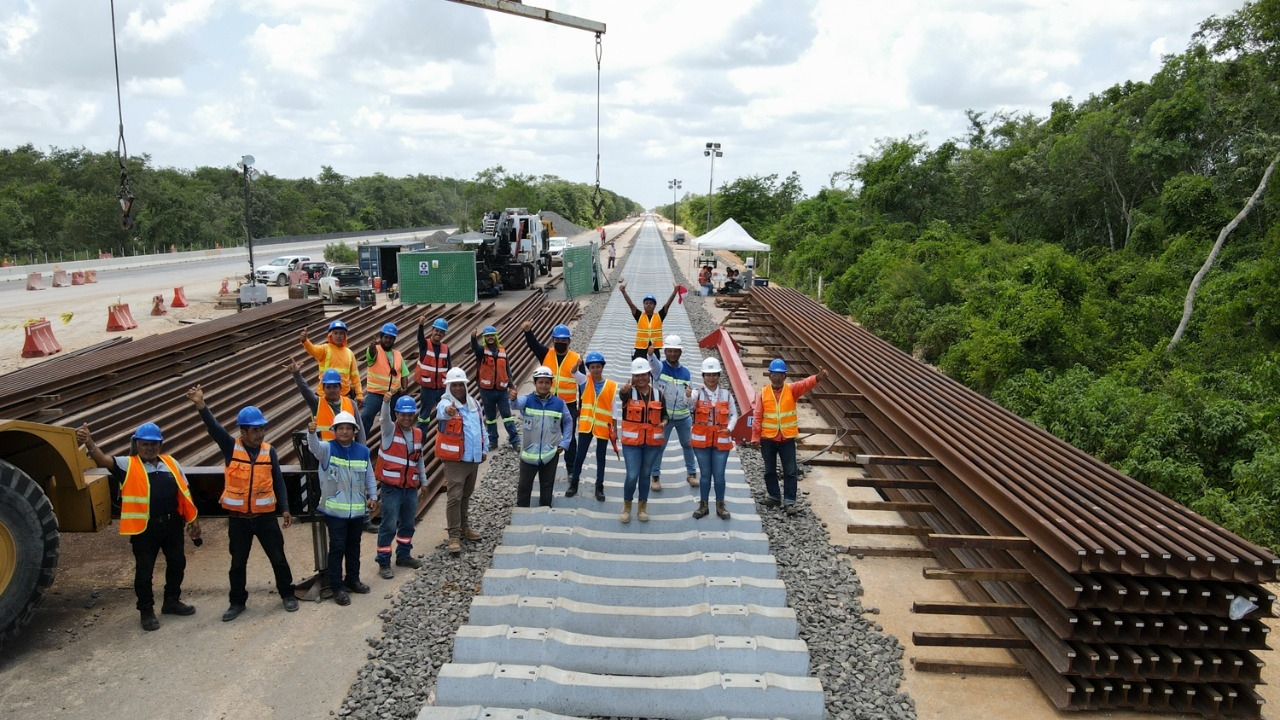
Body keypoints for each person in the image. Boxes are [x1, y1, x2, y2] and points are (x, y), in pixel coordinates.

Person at [187, 386, 299, 620]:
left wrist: (285, 508)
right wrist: (201, 406)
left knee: (278, 558)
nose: (260, 434)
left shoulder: (270, 452)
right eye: (255, 430)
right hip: (238, 520)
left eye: (261, 429)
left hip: (265, 518)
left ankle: (287, 594)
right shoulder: (231, 448)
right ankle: (237, 602)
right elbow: (214, 429)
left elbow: (278, 481)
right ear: (243, 432)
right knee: (237, 563)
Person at [75, 422, 200, 631]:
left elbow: (184, 491)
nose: (150, 448)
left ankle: (171, 601)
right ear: (137, 444)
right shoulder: (128, 464)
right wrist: (89, 442)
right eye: (145, 444)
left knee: (177, 563)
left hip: (171, 524)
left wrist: (192, 519)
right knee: (144, 572)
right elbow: (103, 460)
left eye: (154, 444)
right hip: (144, 529)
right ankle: (146, 611)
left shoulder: (170, 463)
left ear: (160, 444)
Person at [306, 411, 378, 606]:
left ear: (354, 431)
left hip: (356, 511)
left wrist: (373, 495)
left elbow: (369, 475)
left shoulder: (362, 451)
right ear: (334, 431)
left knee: (354, 547)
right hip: (335, 512)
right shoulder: (327, 449)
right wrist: (311, 434)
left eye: (348, 428)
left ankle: (353, 580)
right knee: (337, 548)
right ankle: (337, 587)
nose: (345, 431)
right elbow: (314, 447)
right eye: (341, 428)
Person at [748, 359, 828, 516]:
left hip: (787, 439)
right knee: (769, 470)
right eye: (774, 374)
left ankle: (789, 501)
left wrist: (818, 377)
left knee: (790, 471)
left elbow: (805, 384)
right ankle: (774, 497)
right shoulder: (763, 393)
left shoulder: (791, 390)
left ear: (784, 377)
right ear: (769, 376)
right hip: (768, 439)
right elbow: (757, 416)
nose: (777, 378)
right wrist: (755, 438)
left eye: (780, 375)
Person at [521, 321, 585, 480]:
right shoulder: (546, 353)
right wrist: (528, 331)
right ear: (553, 340)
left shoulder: (577, 359)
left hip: (568, 404)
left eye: (564, 341)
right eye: (557, 340)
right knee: (544, 433)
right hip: (547, 402)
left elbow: (583, 385)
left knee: (569, 437)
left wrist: (582, 407)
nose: (560, 343)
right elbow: (533, 345)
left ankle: (571, 470)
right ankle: (541, 464)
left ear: (569, 341)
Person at [374, 394, 425, 578]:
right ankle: (383, 561)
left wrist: (424, 482)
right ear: (396, 414)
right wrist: (386, 402)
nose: (406, 418)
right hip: (391, 488)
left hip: (410, 488)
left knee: (408, 524)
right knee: (388, 525)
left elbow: (419, 460)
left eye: (410, 414)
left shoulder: (417, 433)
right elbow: (383, 418)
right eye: (403, 414)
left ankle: (403, 555)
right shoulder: (389, 430)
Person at [436, 367, 487, 554]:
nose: (458, 388)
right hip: (455, 461)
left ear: (465, 385)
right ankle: (454, 536)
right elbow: (442, 412)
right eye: (454, 385)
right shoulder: (445, 403)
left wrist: (484, 448)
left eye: (460, 385)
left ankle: (464, 528)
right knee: (454, 497)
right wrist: (448, 411)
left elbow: (481, 427)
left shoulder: (473, 403)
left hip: (472, 459)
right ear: (449, 387)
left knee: (466, 495)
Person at [509, 366, 573, 508]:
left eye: (547, 382)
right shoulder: (527, 400)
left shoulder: (559, 403)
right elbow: (515, 405)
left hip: (550, 454)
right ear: (535, 383)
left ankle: (544, 511)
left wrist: (565, 442)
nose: (544, 385)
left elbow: (568, 422)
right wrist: (513, 398)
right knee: (524, 486)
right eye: (540, 382)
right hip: (528, 453)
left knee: (547, 486)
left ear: (551, 384)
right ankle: (522, 512)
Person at [643, 334, 696, 492]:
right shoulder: (660, 368)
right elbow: (651, 364)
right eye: (669, 351)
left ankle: (691, 474)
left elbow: (691, 395)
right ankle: (655, 477)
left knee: (688, 445)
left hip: (683, 417)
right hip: (663, 418)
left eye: (675, 351)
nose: (672, 354)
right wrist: (650, 354)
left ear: (680, 352)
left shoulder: (686, 373)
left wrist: (690, 400)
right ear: (665, 352)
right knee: (659, 447)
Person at [617, 358, 668, 523]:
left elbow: (665, 414)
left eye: (644, 374)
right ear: (632, 376)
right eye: (637, 375)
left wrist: (664, 422)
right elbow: (622, 395)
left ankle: (642, 507)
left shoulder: (658, 394)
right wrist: (623, 390)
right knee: (632, 475)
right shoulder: (628, 393)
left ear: (649, 374)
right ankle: (627, 506)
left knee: (645, 475)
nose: (641, 378)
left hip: (651, 443)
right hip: (632, 444)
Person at [690, 357, 737, 519]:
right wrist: (688, 396)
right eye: (708, 374)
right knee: (705, 474)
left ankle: (720, 505)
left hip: (721, 441)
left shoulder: (726, 395)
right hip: (701, 441)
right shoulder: (697, 393)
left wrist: (729, 429)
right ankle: (703, 505)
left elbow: (733, 414)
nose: (711, 377)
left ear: (718, 375)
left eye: (714, 374)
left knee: (719, 474)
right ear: (703, 376)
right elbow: (688, 402)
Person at [569, 351, 617, 501]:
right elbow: (573, 373)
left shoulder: (611, 386)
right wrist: (577, 364)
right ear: (588, 368)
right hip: (586, 425)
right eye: (592, 367)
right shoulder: (584, 381)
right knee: (580, 455)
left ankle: (599, 486)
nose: (595, 370)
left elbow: (614, 409)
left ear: (602, 367)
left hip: (603, 426)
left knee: (601, 457)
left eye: (598, 366)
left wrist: (614, 429)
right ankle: (574, 484)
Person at [286, 361, 366, 444]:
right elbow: (305, 391)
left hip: (348, 452)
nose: (332, 390)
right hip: (326, 453)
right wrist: (296, 374)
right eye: (328, 387)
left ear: (340, 388)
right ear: (323, 389)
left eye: (335, 387)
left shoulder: (351, 403)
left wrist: (363, 452)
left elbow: (360, 431)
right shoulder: (317, 403)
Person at [470, 325, 520, 452]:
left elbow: (507, 370)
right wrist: (473, 338)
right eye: (487, 336)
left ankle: (515, 440)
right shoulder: (482, 351)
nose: (490, 338)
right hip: (486, 390)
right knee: (490, 418)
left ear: (496, 337)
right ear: (484, 338)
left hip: (502, 390)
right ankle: (493, 441)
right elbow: (475, 348)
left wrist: (511, 386)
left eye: (492, 336)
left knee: (507, 416)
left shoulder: (502, 351)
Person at [362, 322, 410, 433]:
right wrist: (372, 347)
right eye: (386, 337)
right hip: (376, 394)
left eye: (391, 338)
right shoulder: (375, 350)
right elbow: (371, 353)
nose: (388, 340)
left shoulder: (397, 354)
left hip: (393, 394)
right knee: (366, 416)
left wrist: (405, 388)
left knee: (396, 420)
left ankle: (394, 442)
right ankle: (361, 442)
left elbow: (404, 374)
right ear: (381, 337)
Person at [302, 320, 362, 407]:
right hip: (325, 396)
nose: (338, 336)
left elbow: (355, 376)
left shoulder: (349, 353)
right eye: (335, 333)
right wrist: (305, 341)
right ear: (331, 335)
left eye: (341, 333)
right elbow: (313, 350)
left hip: (344, 396)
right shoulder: (325, 349)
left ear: (345, 336)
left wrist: (359, 394)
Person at [619, 282, 677, 360]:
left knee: (654, 371)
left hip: (654, 349)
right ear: (643, 305)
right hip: (640, 350)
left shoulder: (659, 316)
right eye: (646, 303)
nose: (648, 305)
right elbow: (630, 304)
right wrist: (624, 292)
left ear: (654, 305)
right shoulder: (639, 315)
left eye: (651, 303)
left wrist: (674, 292)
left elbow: (667, 304)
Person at [416, 316, 451, 428]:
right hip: (427, 388)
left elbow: (449, 367)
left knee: (443, 414)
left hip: (441, 388)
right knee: (424, 416)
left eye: (441, 332)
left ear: (444, 334)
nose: (438, 333)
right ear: (432, 330)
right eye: (436, 330)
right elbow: (420, 337)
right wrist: (421, 325)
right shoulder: (424, 345)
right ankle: (421, 440)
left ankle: (443, 438)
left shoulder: (446, 348)